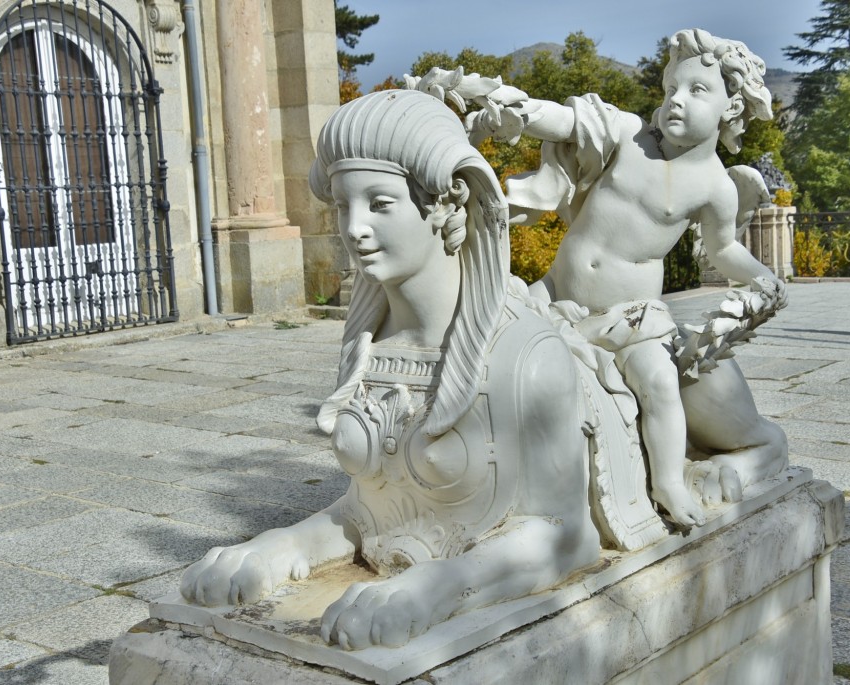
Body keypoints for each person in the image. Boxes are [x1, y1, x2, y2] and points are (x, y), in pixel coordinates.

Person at [178, 89, 599, 650]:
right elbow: (369, 509)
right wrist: (281, 546)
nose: (353, 228)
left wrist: (442, 586)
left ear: (447, 207)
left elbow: (569, 536)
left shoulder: (526, 357)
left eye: (379, 204)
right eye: (342, 206)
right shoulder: (371, 347)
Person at [457, 28, 788, 526]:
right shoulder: (629, 135)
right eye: (672, 86)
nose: (677, 100)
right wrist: (518, 110)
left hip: (631, 317)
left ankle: (669, 482)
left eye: (698, 91)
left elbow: (724, 248)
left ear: (731, 106)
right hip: (554, 295)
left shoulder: (716, 187)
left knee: (659, 383)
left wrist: (766, 279)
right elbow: (568, 122)